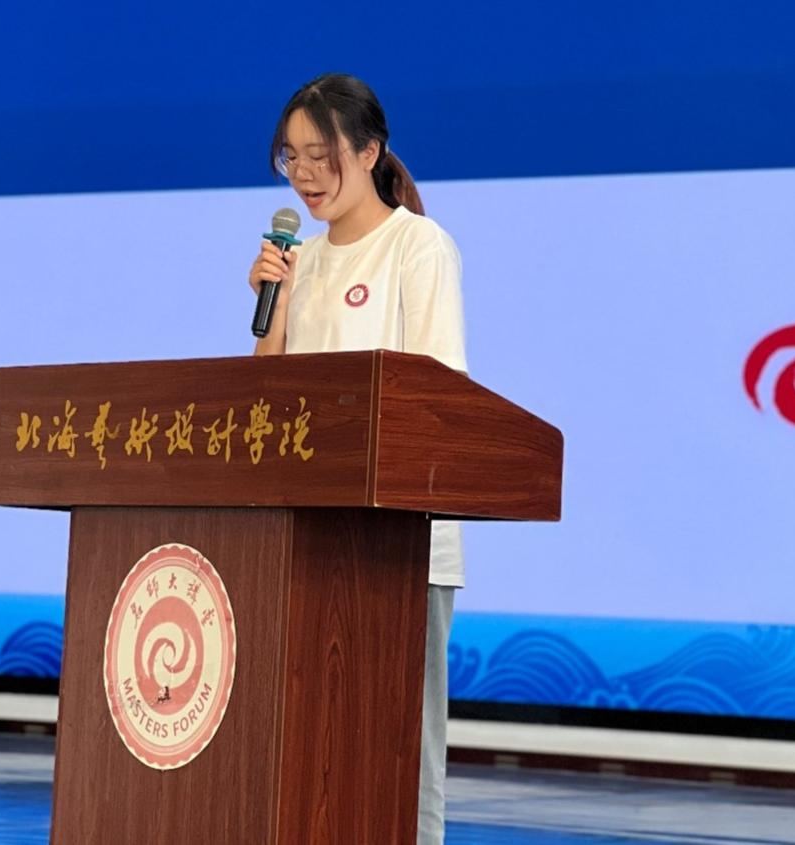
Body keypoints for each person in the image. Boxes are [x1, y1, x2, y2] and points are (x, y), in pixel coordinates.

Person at [247, 73, 466, 845]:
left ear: (370, 152)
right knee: (311, 744)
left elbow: (439, 391)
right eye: (291, 156)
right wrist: (271, 312)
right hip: (309, 536)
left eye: (321, 154)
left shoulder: (416, 244)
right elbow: (269, 406)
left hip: (399, 539)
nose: (303, 174)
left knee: (399, 749)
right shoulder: (297, 260)